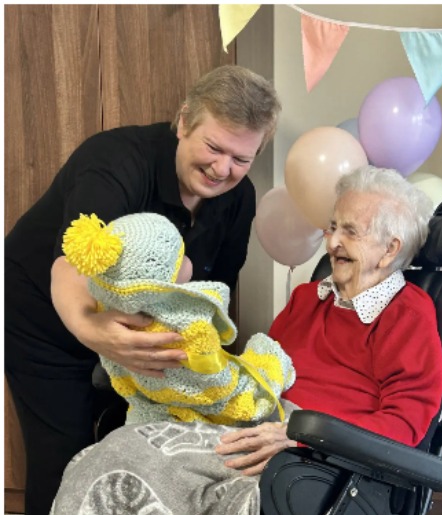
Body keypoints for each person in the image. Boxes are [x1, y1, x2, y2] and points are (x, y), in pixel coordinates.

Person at [49, 165, 442, 514]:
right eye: (333, 226)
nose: (332, 242)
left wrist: (303, 435)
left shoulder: (408, 313)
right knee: (119, 450)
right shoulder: (309, 297)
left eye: (350, 232)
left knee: (146, 467)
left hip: (322, 457)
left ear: (390, 249)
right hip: (257, 426)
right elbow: (262, 372)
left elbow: (404, 423)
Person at [5, 64, 280, 515]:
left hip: (141, 331)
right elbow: (71, 266)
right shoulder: (115, 161)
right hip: (43, 314)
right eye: (214, 147)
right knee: (64, 454)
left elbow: (216, 292)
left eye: (241, 159)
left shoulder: (239, 198)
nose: (222, 168)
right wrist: (90, 328)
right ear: (184, 120)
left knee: (135, 446)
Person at [60, 212, 295, 426]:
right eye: (181, 258)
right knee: (266, 350)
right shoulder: (189, 323)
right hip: (210, 404)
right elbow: (215, 383)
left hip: (150, 408)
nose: (189, 260)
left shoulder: (110, 313)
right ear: (158, 286)